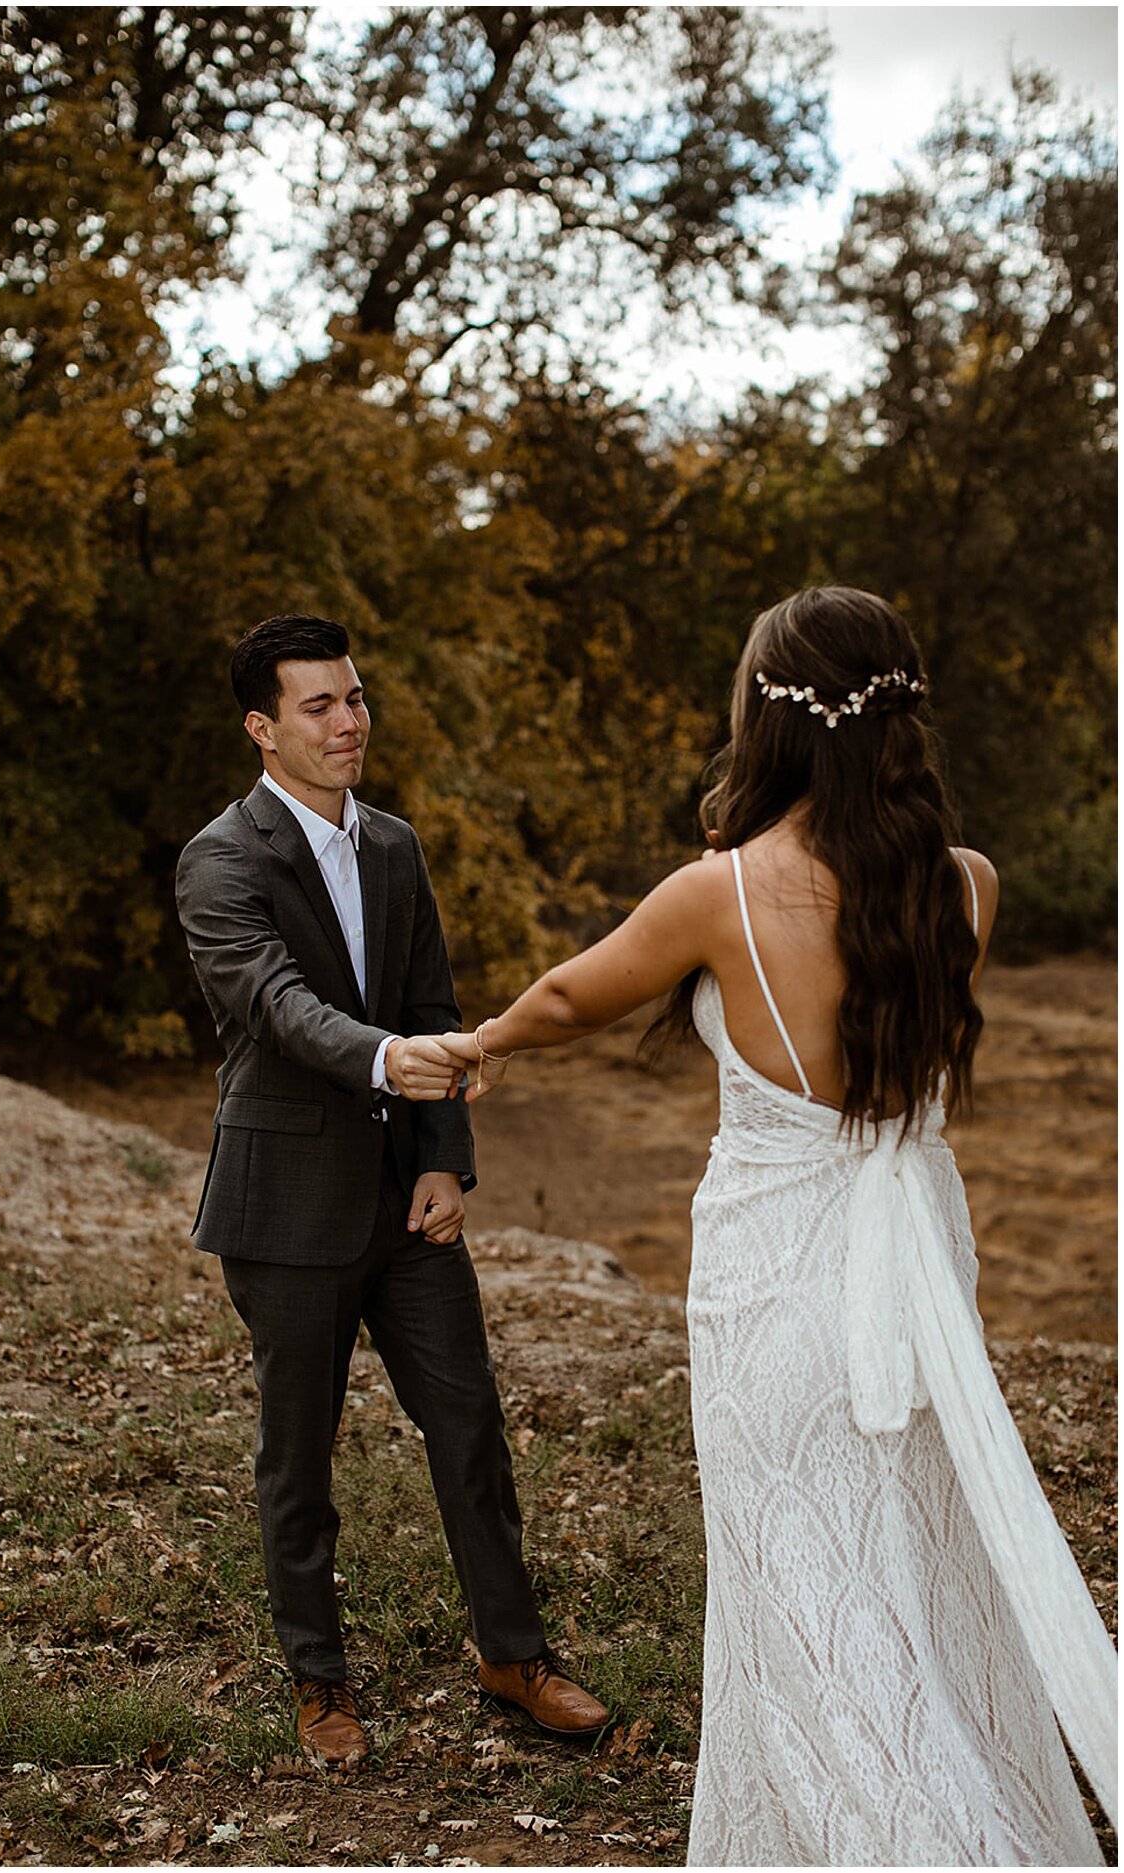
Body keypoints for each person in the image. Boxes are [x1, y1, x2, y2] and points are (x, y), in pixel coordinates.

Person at [439, 587, 1115, 1862]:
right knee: (913, 1567)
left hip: (776, 1282)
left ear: (772, 721)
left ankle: (899, 1832)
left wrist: (483, 1042)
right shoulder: (966, 887)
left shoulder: (723, 892)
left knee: (795, 1581)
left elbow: (580, 990)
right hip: (915, 1267)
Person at [172, 615, 609, 1771]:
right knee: (298, 1455)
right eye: (317, 705)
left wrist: (437, 1151)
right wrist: (381, 1057)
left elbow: (431, 993)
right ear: (262, 729)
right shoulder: (221, 858)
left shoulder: (397, 847)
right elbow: (273, 1004)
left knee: (467, 1426)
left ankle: (512, 1655)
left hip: (405, 1205)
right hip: (283, 1209)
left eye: (354, 697)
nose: (348, 719)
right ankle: (319, 1682)